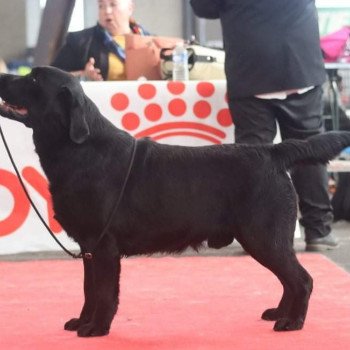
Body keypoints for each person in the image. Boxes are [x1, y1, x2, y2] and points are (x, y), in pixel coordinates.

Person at [190, 0, 339, 251]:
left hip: (251, 67)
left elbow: (204, 8)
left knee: (252, 155)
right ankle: (318, 230)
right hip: (298, 62)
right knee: (308, 150)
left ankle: (257, 235)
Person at [51, 0, 149, 81]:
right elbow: (52, 77)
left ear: (130, 8)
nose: (106, 11)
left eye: (113, 4)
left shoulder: (150, 41)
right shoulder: (79, 41)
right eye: (101, 6)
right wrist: (83, 76)